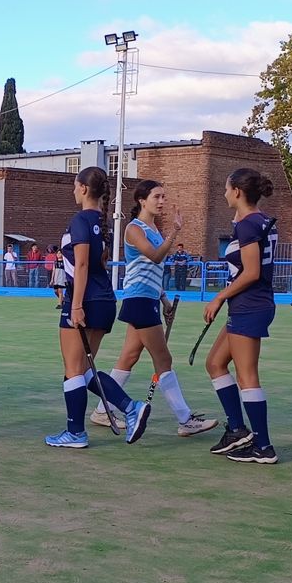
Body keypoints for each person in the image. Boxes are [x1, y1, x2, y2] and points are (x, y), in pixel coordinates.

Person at [44, 168, 152, 448]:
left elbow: (81, 265)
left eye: (75, 186)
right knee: (84, 369)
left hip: (86, 301)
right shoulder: (100, 223)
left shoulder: (81, 220)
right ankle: (130, 408)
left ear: (83, 188)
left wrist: (76, 305)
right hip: (104, 300)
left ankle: (76, 432)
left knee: (73, 369)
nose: (73, 191)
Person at [106, 179, 217, 438]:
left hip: (148, 299)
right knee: (163, 360)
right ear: (141, 200)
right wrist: (174, 233)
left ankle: (103, 409)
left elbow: (153, 271)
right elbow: (155, 256)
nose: (161, 201)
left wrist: (164, 300)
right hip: (139, 300)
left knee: (129, 357)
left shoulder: (154, 228)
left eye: (163, 196)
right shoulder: (134, 229)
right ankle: (185, 420)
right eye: (156, 196)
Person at [201, 168, 279, 463]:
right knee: (215, 363)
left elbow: (252, 272)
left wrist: (219, 297)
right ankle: (236, 429)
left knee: (247, 375)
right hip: (250, 304)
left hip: (250, 304)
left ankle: (263, 446)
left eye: (226, 189)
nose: (224, 194)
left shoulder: (249, 225)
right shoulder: (259, 221)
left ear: (237, 192)